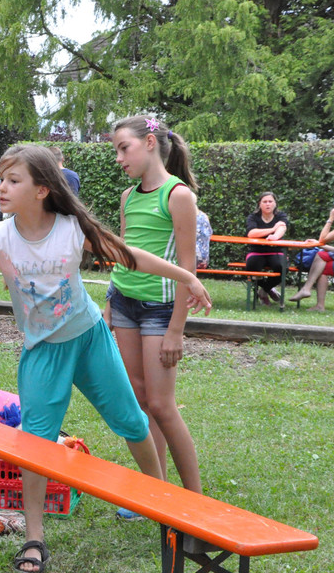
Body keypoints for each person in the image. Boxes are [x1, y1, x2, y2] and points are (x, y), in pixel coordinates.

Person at [0, 144, 212, 573]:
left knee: (132, 422)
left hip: (89, 339)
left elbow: (129, 255)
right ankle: (34, 539)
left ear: (42, 189)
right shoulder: (0, 237)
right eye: (2, 178)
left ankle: (163, 506)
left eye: (14, 180)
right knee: (34, 445)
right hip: (43, 352)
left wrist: (185, 276)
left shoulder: (72, 227)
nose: (1, 187)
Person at [106, 114, 204, 520]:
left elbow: (187, 268)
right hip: (124, 304)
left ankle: (196, 503)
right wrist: (110, 304)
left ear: (149, 143)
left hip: (159, 313)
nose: (118, 158)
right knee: (139, 399)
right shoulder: (128, 196)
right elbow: (125, 254)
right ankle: (155, 491)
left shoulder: (178, 196)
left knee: (162, 405)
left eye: (123, 148)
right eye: (116, 150)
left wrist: (176, 330)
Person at [244, 192, 289, 305]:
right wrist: (272, 229)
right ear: (259, 204)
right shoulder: (253, 217)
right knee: (251, 267)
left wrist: (275, 236)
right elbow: (251, 233)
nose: (267, 204)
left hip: (276, 251)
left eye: (270, 201)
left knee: (282, 267)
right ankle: (268, 290)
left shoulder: (281, 216)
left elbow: (282, 228)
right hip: (257, 251)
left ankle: (264, 290)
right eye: (264, 202)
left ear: (275, 203)